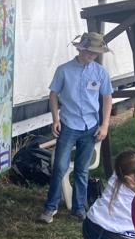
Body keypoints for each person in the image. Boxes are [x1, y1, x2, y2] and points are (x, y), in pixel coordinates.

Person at [39, 32, 113, 223]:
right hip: (69, 125)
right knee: (60, 166)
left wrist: (104, 125)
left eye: (95, 54)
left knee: (82, 169)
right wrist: (55, 119)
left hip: (90, 128)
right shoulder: (64, 70)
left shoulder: (100, 72)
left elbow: (107, 98)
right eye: (89, 52)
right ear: (81, 49)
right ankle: (50, 207)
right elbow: (53, 94)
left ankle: (79, 208)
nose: (92, 56)